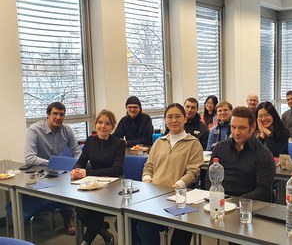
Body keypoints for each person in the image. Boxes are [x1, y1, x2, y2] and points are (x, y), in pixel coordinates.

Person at [138, 103, 204, 245]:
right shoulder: (159, 142)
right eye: (169, 117)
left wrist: (177, 186)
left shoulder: (193, 143)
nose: (173, 120)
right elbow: (148, 166)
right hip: (153, 195)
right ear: (165, 120)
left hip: (177, 197)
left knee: (184, 227)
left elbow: (193, 172)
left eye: (177, 116)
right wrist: (147, 181)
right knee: (137, 224)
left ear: (185, 119)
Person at [24, 101, 81, 235]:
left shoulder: (67, 130)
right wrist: (54, 163)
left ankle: (71, 217)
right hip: (37, 171)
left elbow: (77, 152)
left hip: (57, 171)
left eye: (62, 114)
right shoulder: (34, 130)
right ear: (48, 115)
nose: (58, 117)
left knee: (70, 182)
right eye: (55, 113)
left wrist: (79, 165)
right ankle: (66, 218)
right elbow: (30, 158)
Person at [71, 109, 125, 245]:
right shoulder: (90, 141)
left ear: (112, 126)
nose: (103, 126)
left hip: (113, 186)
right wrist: (76, 169)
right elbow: (81, 162)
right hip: (93, 184)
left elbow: (116, 169)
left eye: (107, 123)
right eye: (100, 122)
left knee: (97, 210)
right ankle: (106, 235)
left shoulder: (119, 143)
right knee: (81, 211)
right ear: (95, 124)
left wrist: (88, 173)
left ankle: (86, 241)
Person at [206, 106, 276, 202]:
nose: (236, 132)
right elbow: (209, 180)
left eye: (242, 128)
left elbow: (263, 192)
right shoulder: (220, 148)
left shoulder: (263, 155)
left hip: (248, 205)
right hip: (220, 201)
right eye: (233, 127)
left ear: (252, 127)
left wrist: (234, 201)